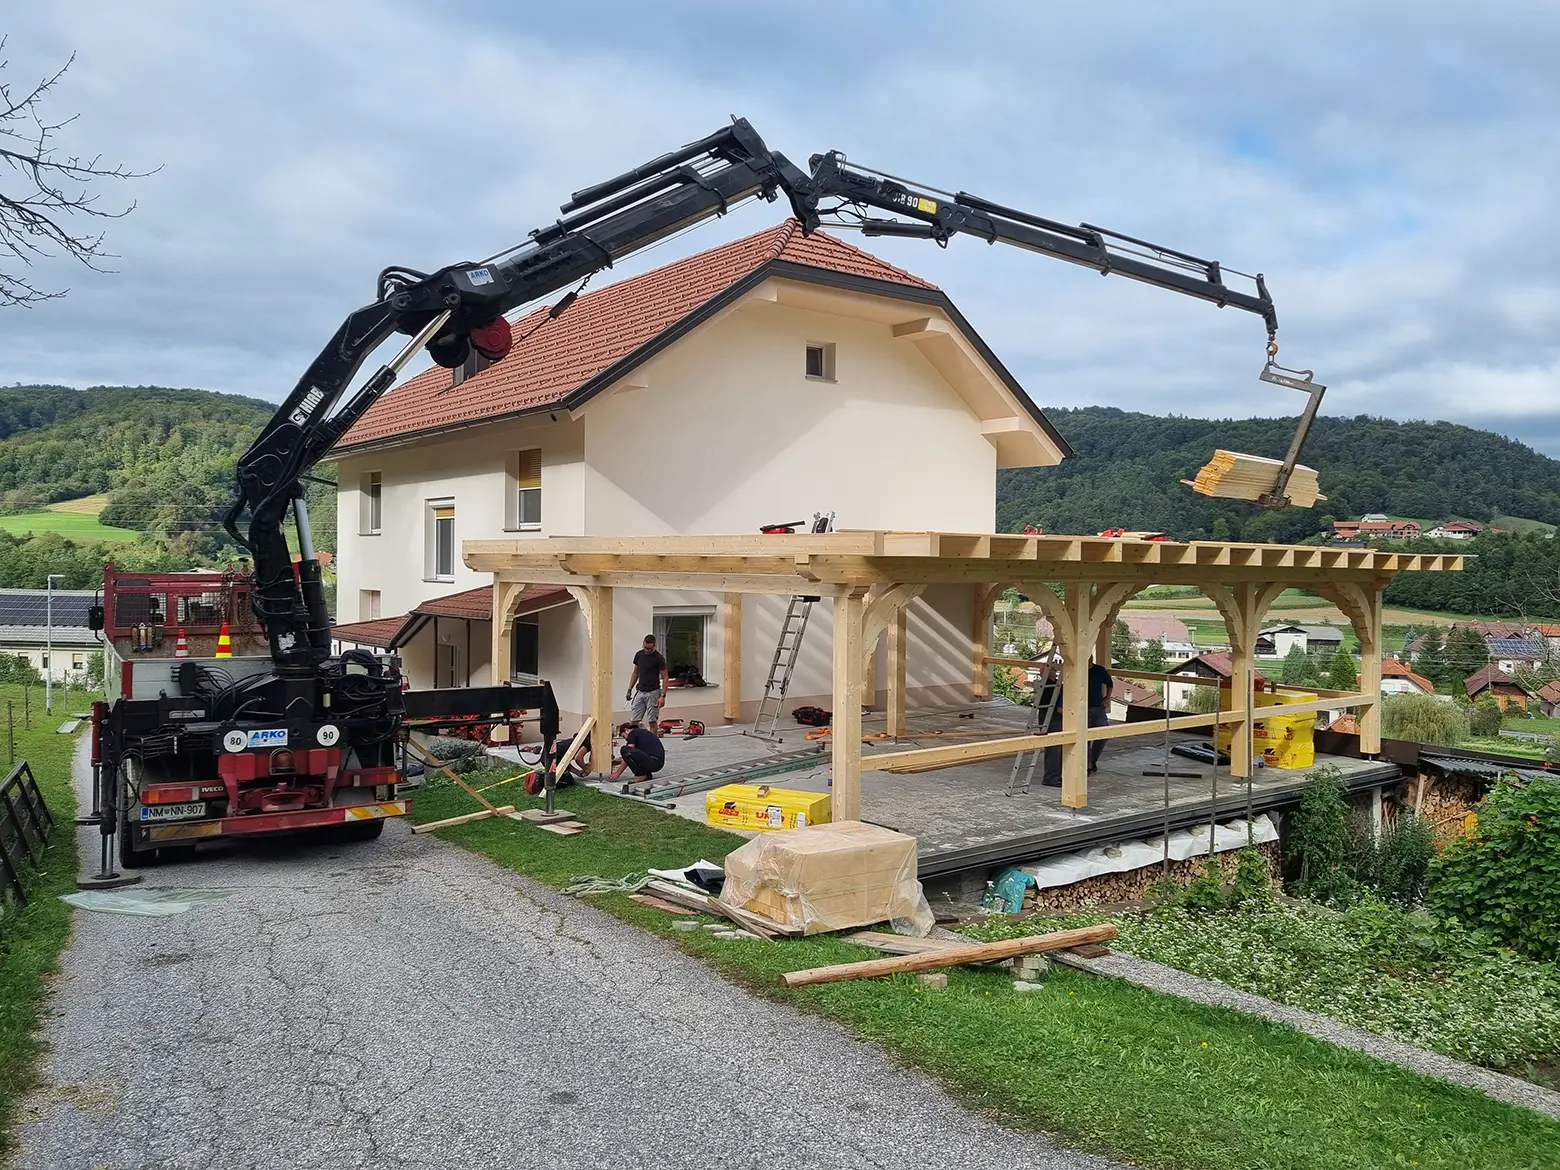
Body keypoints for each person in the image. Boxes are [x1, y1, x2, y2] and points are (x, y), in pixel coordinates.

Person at [626, 634, 668, 733]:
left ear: (654, 646)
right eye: (645, 647)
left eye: (649, 648)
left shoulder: (659, 658)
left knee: (652, 721)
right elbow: (635, 673)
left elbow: (665, 677)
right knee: (634, 720)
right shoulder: (639, 655)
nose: (647, 650)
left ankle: (653, 742)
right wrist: (629, 689)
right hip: (640, 691)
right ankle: (635, 740)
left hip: (653, 692)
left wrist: (662, 696)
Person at [609, 721, 665, 786]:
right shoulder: (641, 733)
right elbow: (636, 756)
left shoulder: (632, 733)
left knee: (624, 749)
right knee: (628, 751)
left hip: (653, 761)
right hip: (657, 763)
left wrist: (617, 773)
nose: (626, 740)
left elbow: (627, 754)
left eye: (624, 736)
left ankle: (640, 775)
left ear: (626, 730)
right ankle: (646, 775)